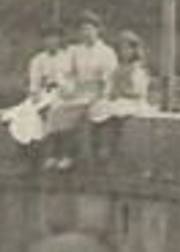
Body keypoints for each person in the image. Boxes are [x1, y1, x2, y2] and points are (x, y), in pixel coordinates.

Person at [44, 11, 118, 171]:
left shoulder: (107, 52)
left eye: (90, 28)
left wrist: (102, 94)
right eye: (83, 29)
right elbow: (66, 72)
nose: (86, 33)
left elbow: (109, 79)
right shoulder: (75, 51)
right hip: (78, 91)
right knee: (58, 109)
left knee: (98, 111)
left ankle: (99, 155)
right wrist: (67, 87)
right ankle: (62, 154)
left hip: (98, 91)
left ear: (98, 30)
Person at [1, 25, 70, 167]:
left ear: (60, 40)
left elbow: (71, 80)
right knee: (21, 114)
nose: (51, 42)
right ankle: (27, 153)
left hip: (62, 94)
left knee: (54, 110)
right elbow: (34, 83)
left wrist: (63, 87)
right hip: (43, 94)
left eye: (54, 38)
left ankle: (58, 154)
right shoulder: (37, 60)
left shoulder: (67, 57)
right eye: (48, 38)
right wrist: (34, 95)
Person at [88, 30, 153, 162]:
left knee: (114, 111)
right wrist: (109, 94)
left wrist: (122, 93)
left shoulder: (138, 68)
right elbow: (110, 86)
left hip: (133, 102)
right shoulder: (117, 68)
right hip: (118, 100)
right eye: (120, 48)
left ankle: (108, 147)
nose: (123, 52)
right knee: (98, 108)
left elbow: (140, 92)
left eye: (126, 48)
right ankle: (99, 147)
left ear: (133, 50)